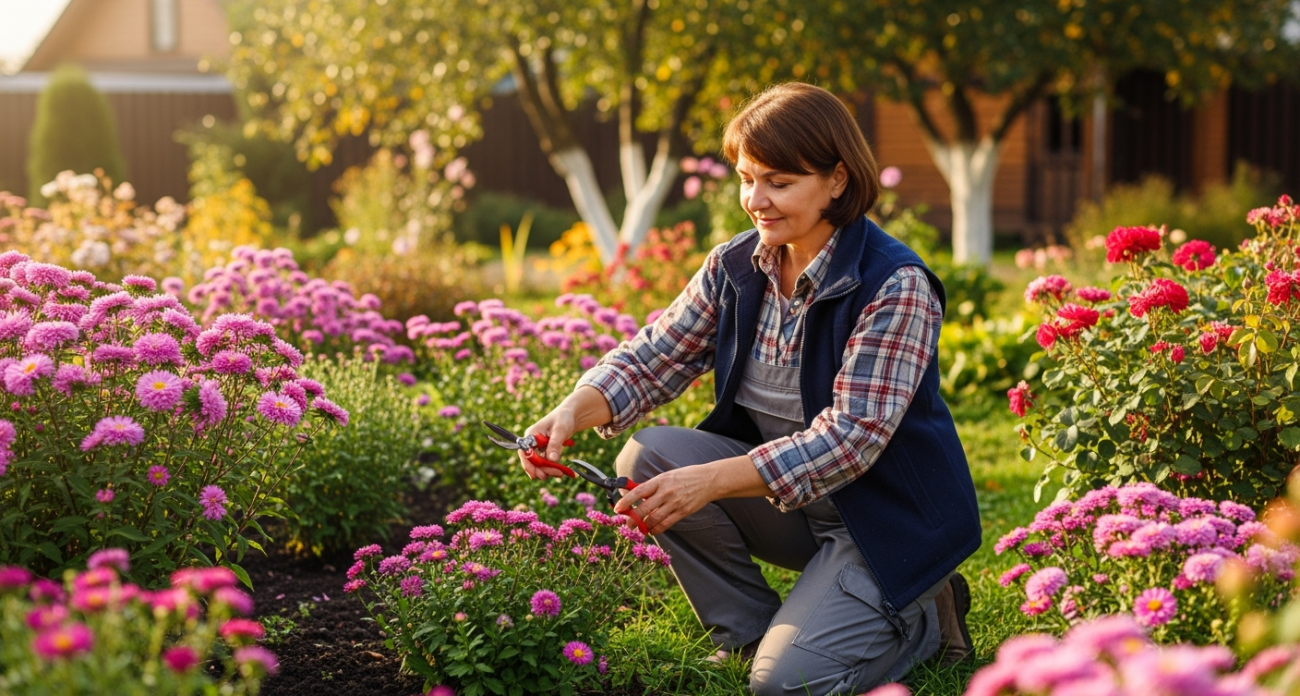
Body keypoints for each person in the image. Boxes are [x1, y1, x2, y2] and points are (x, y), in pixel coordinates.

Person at [519, 82, 980, 696]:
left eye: (779, 183)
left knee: (784, 687)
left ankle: (925, 611)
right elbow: (656, 354)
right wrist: (574, 409)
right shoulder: (738, 266)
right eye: (746, 179)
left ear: (838, 180)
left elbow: (851, 439)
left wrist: (709, 480)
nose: (755, 201)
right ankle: (744, 632)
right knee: (648, 456)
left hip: (883, 520)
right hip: (790, 503)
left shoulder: (894, 285)